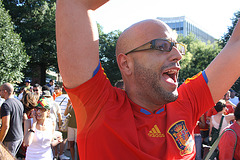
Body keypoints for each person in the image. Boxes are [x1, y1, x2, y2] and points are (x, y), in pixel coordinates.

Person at [56, 0, 240, 159]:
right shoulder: (97, 105)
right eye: (161, 46)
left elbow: (237, 44)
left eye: (177, 47)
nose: (177, 55)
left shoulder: (187, 103)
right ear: (126, 64)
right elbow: (73, 4)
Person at [0, 83, 24, 157]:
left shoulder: (6, 105)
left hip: (10, 139)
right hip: (19, 136)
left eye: (0, 90)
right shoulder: (19, 103)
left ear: (5, 91)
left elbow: (6, 125)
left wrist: (0, 140)